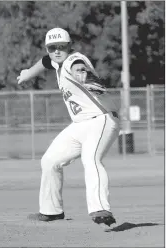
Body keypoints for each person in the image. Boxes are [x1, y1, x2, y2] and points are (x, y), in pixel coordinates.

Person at [17, 27, 120, 226]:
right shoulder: (56, 61)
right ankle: (51, 211)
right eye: (52, 47)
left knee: (91, 159)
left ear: (70, 46)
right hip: (80, 125)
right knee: (49, 161)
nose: (56, 51)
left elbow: (79, 66)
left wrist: (83, 75)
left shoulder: (73, 60)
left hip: (101, 120)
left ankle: (100, 208)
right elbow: (45, 61)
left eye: (61, 47)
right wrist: (29, 73)